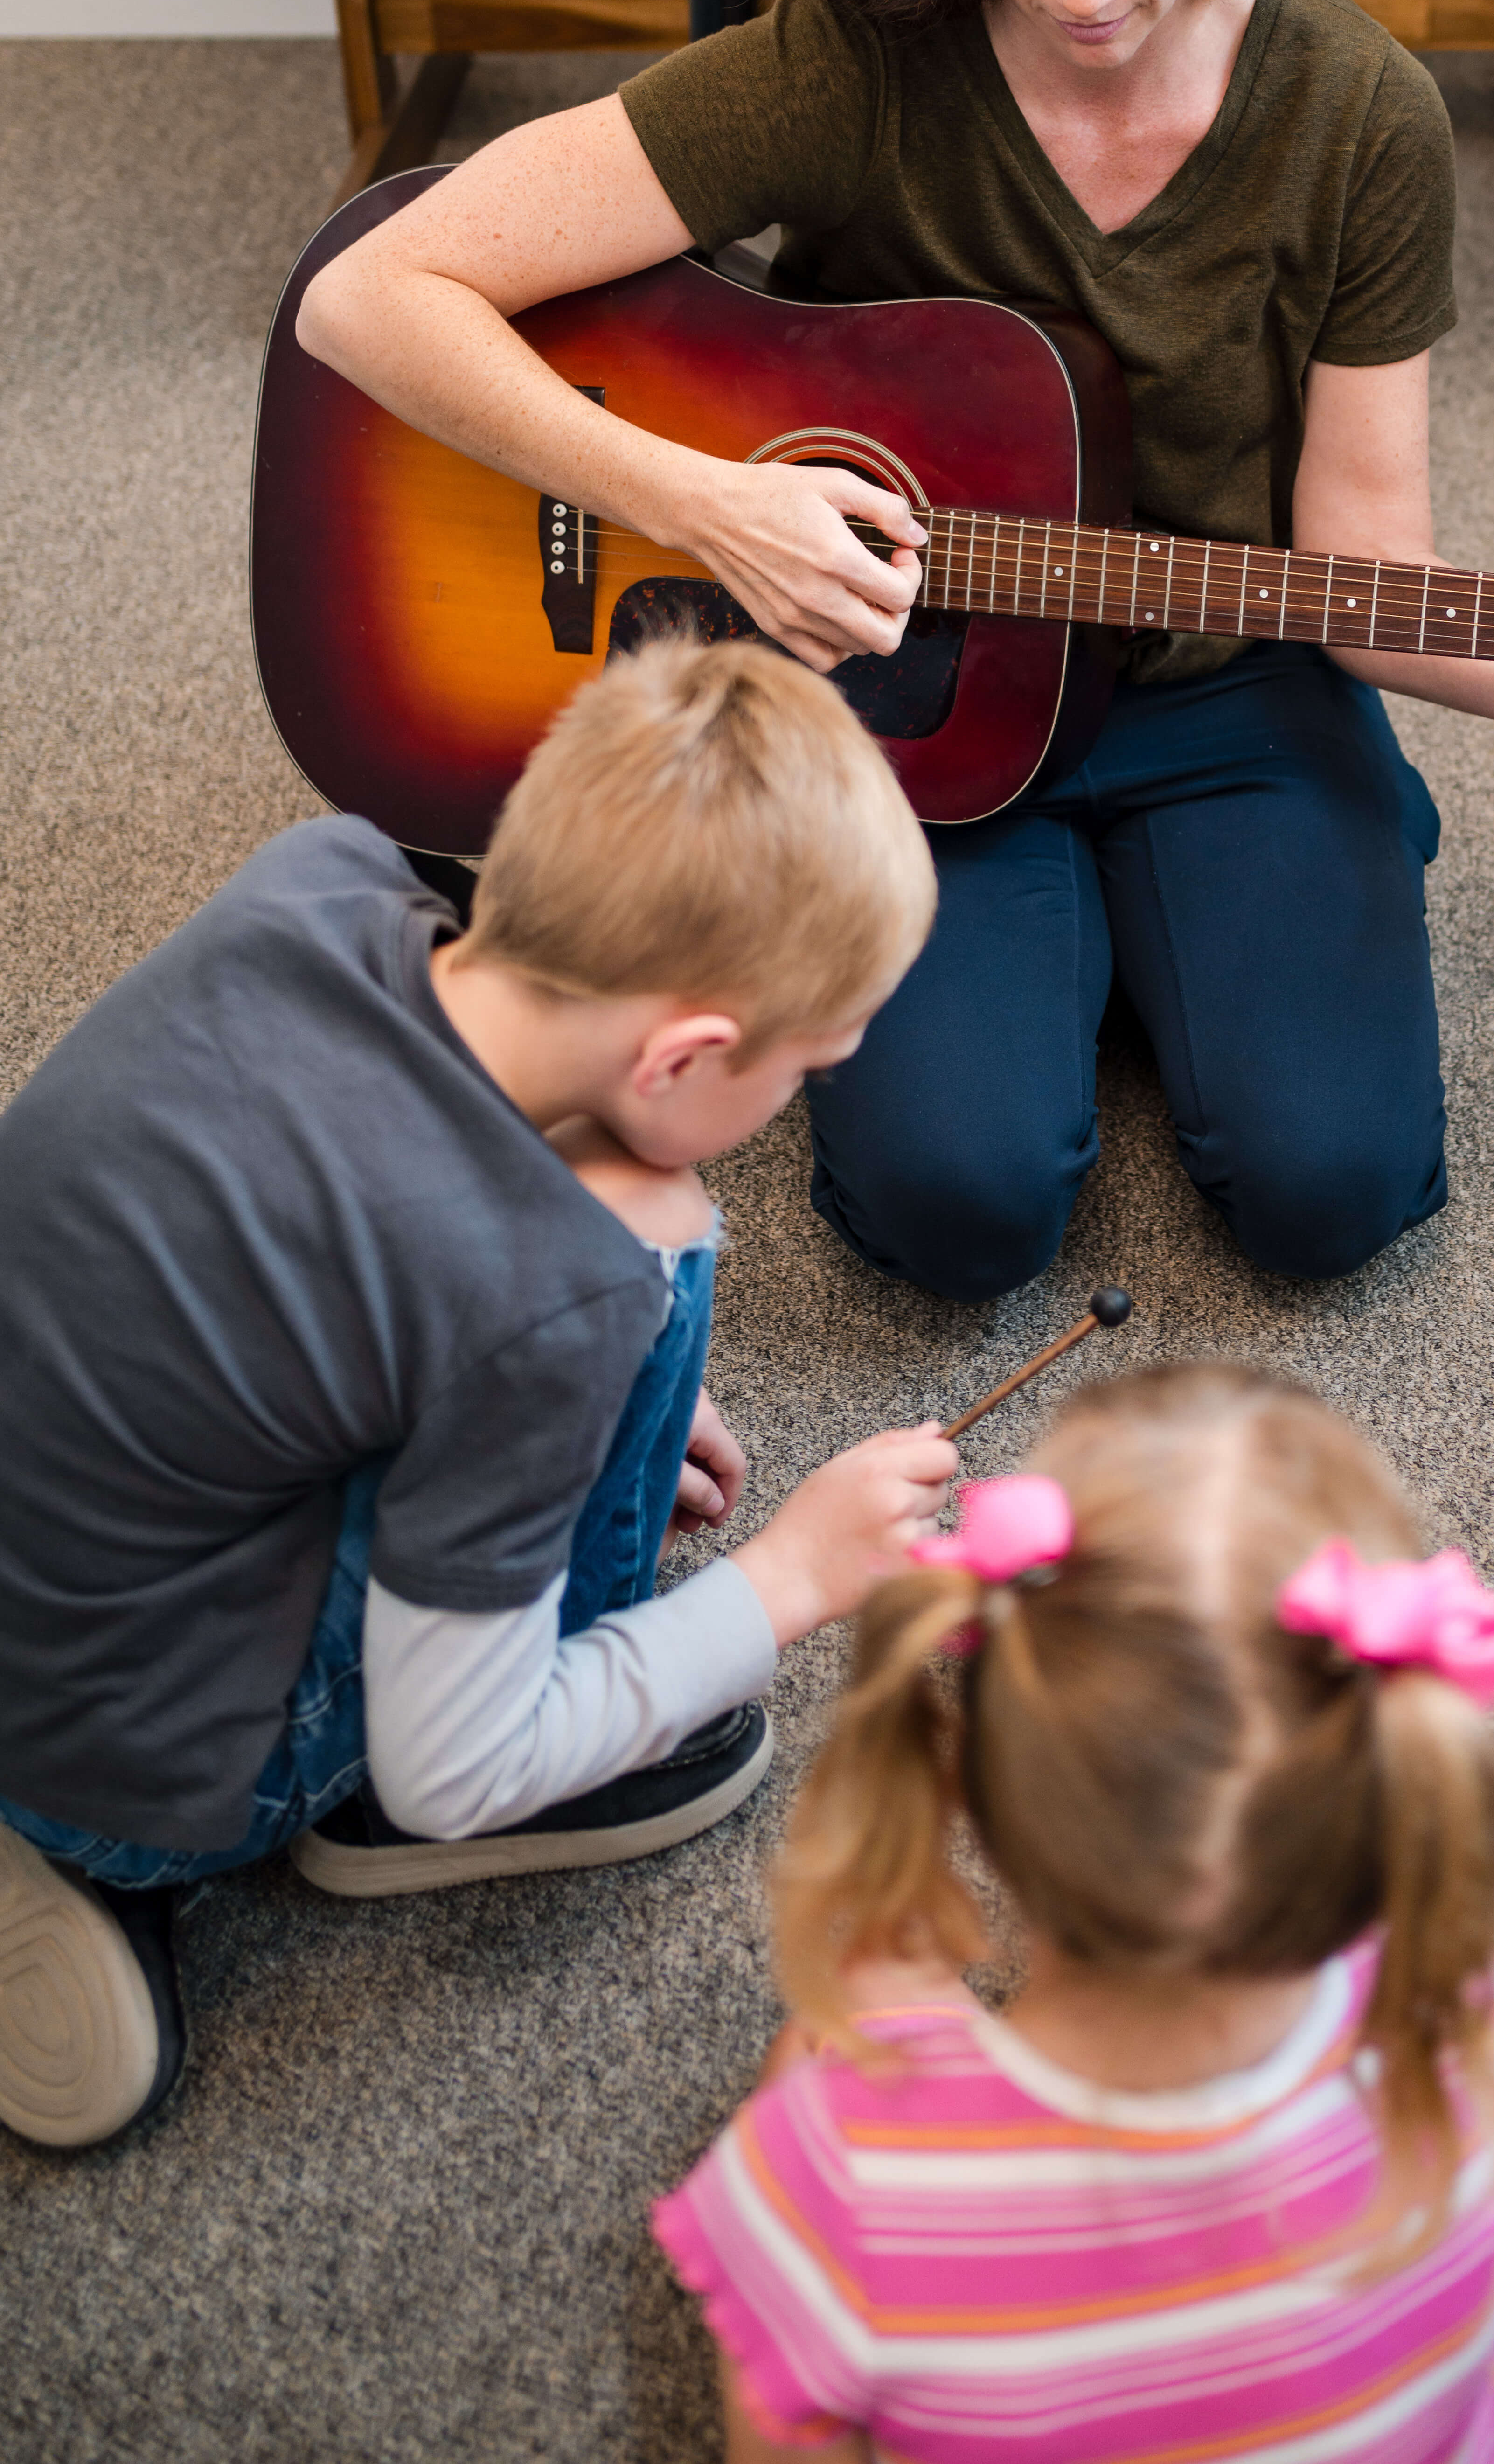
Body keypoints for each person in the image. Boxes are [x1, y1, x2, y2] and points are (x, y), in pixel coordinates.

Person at [297, 0, 1494, 1308]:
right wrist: (701, 500)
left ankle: (1199, 897)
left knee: (1330, 1191)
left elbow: (1361, 571)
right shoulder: (854, 64)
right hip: (904, 710)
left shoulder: (1362, 116)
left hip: (1224, 686)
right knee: (959, 1209)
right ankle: (1119, 951)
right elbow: (370, 293)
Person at [0, 638, 958, 2152]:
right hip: (128, 1760)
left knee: (599, 1223)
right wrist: (792, 1575)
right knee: (657, 1219)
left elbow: (325, 1250)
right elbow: (463, 1760)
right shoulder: (548, 1297)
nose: (812, 1092)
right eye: (811, 1067)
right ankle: (121, 1848)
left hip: (62, 1517)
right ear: (692, 1050)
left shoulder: (324, 876)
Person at [653, 1362, 1494, 2464]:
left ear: (968, 1784)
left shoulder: (843, 2174)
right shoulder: (1440, 2015)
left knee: (818, 2035)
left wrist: (872, 2067)